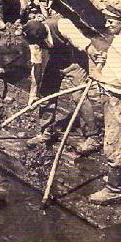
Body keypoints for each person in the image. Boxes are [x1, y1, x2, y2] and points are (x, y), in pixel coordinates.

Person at [88, 5, 121, 205]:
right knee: (120, 137)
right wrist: (105, 60)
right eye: (106, 20)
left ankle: (114, 190)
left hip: (119, 98)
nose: (107, 24)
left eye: (111, 21)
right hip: (113, 96)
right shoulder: (119, 39)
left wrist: (101, 77)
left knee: (114, 141)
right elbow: (119, 66)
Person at [21, 17, 101, 151]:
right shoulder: (33, 39)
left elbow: (87, 46)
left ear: (44, 35)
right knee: (46, 94)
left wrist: (97, 69)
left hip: (75, 60)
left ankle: (92, 137)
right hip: (56, 60)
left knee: (79, 96)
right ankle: (46, 132)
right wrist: (33, 94)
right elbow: (37, 67)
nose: (39, 46)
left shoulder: (63, 25)